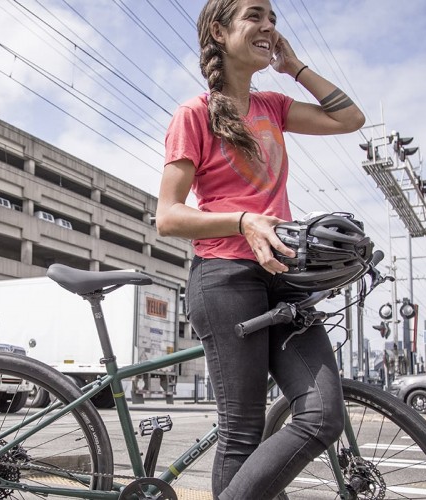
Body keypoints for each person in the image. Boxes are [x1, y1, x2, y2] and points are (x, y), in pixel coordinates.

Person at [154, 0, 365, 498]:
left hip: (284, 277)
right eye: (255, 15)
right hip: (225, 276)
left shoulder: (273, 107)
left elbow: (350, 118)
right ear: (219, 31)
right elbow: (168, 215)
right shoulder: (195, 114)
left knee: (322, 414)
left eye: (273, 17)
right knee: (243, 433)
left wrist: (295, 67)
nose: (269, 25)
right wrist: (243, 219)